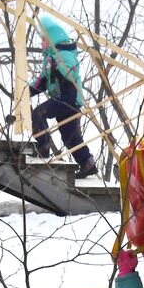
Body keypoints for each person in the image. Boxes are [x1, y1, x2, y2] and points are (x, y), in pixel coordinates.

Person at [28, 14, 98, 180]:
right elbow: (44, 81)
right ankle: (88, 163)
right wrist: (28, 90)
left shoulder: (64, 54)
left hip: (68, 99)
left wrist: (58, 64)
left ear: (52, 39)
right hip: (63, 101)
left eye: (44, 39)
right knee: (70, 136)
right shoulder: (50, 58)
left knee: (38, 113)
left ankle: (43, 146)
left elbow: (70, 72)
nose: (41, 43)